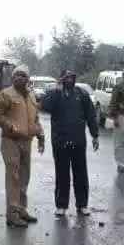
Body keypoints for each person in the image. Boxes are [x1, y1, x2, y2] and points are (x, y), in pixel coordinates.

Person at [0, 64, 45, 228]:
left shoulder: (32, 96)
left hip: (27, 142)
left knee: (24, 177)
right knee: (13, 177)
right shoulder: (6, 94)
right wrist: (10, 126)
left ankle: (21, 209)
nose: (19, 78)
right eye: (17, 75)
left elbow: (35, 119)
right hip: (11, 141)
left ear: (28, 79)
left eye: (23, 75)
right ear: (13, 77)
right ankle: (12, 214)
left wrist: (40, 135)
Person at [41, 70, 99, 217]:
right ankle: (61, 205)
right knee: (62, 175)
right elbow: (45, 106)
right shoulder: (55, 94)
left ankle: (82, 205)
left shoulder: (82, 94)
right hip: (60, 141)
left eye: (72, 77)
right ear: (61, 79)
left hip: (78, 141)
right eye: (66, 78)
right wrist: (57, 91)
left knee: (80, 174)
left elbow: (91, 115)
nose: (69, 80)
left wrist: (95, 135)